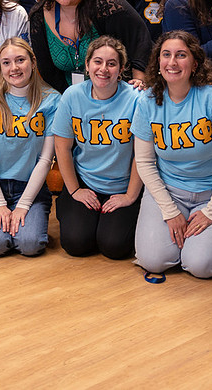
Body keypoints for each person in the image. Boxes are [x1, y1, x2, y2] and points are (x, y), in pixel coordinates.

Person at [132, 31, 212, 278]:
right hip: (169, 191)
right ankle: (182, 237)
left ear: (195, 63)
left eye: (181, 55)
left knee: (201, 266)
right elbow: (145, 162)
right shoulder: (147, 100)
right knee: (154, 261)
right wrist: (170, 211)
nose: (172, 62)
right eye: (166, 55)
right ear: (158, 61)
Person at [0, 38, 61, 256]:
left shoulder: (52, 100)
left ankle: (22, 221)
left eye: (20, 60)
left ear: (33, 62)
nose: (14, 68)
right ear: (0, 67)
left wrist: (24, 205)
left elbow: (46, 160)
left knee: (30, 245)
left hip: (29, 186)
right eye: (6, 63)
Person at [52, 36, 143, 259]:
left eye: (111, 64)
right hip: (86, 180)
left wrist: (130, 196)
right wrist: (75, 190)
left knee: (114, 247)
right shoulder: (72, 96)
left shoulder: (136, 99)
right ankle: (73, 208)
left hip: (123, 185)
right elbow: (62, 148)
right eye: (97, 61)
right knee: (76, 243)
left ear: (121, 69)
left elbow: (142, 155)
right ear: (87, 65)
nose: (103, 69)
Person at [29, 0, 150, 93]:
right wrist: (74, 97)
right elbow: (48, 70)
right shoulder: (39, 15)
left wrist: (139, 81)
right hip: (71, 93)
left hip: (119, 90)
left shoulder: (105, 3)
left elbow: (139, 39)